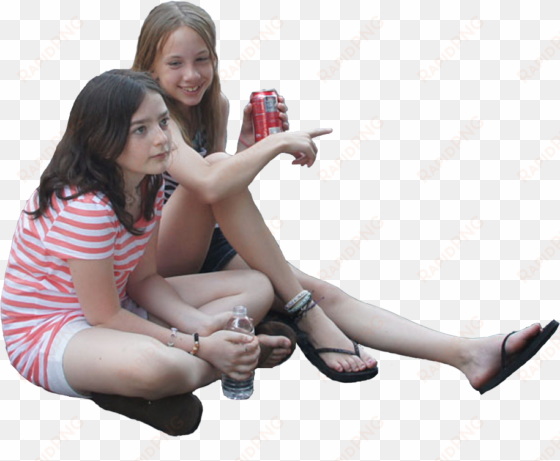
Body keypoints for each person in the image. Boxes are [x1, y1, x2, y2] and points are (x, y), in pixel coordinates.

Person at [131, 1, 558, 393]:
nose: (192, 75)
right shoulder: (149, 116)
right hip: (151, 255)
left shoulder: (213, 104)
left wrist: (247, 148)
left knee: (319, 290)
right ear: (150, 66)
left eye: (202, 59)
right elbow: (206, 184)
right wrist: (271, 147)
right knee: (231, 187)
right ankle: (303, 314)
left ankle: (466, 354)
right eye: (176, 64)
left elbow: (218, 195)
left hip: (199, 237)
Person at [0, 69, 301, 435]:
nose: (162, 139)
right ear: (102, 139)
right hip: (54, 331)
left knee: (257, 286)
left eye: (162, 122)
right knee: (159, 368)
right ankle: (236, 356)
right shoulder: (86, 208)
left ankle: (213, 359)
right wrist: (200, 345)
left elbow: (143, 280)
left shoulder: (148, 182)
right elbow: (105, 317)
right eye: (140, 129)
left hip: (118, 303)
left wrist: (200, 324)